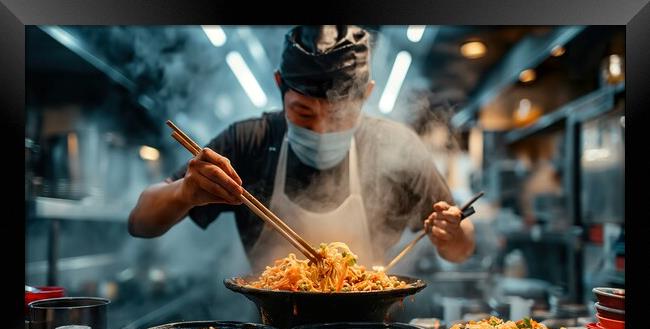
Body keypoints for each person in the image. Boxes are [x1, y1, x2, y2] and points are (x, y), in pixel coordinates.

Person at [128, 25, 475, 273]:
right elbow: (140, 222)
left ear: (366, 95)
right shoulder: (251, 140)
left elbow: (461, 250)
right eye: (304, 112)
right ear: (280, 85)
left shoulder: (396, 146)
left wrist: (453, 234)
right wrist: (185, 192)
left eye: (339, 115)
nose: (322, 129)